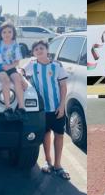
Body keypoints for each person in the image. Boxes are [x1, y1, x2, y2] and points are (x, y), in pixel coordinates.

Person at [22, 40, 70, 180]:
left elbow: (63, 87)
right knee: (45, 135)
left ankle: (58, 165)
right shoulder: (32, 64)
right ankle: (48, 162)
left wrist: (62, 106)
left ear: (47, 50)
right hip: (42, 109)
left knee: (59, 135)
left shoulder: (57, 65)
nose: (39, 51)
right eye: (36, 49)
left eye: (41, 48)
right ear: (33, 53)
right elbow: (21, 71)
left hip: (56, 108)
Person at [0, 22, 25, 119]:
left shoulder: (15, 45)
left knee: (17, 80)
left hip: (11, 67)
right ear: (0, 34)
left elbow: (17, 61)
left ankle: (21, 108)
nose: (7, 34)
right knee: (6, 81)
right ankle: (8, 108)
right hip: (0, 68)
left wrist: (10, 67)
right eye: (4, 32)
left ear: (13, 33)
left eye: (9, 32)